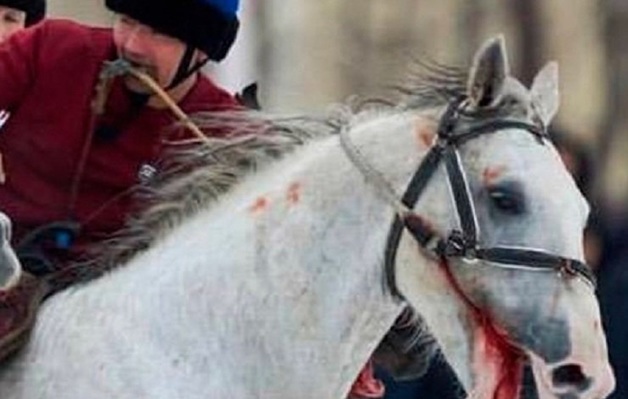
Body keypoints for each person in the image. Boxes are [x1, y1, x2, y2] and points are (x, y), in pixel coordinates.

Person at [0, 0, 242, 360]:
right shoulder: (53, 49)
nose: (131, 46)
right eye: (127, 21)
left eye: (159, 33)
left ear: (202, 51)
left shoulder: (222, 136)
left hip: (118, 324)